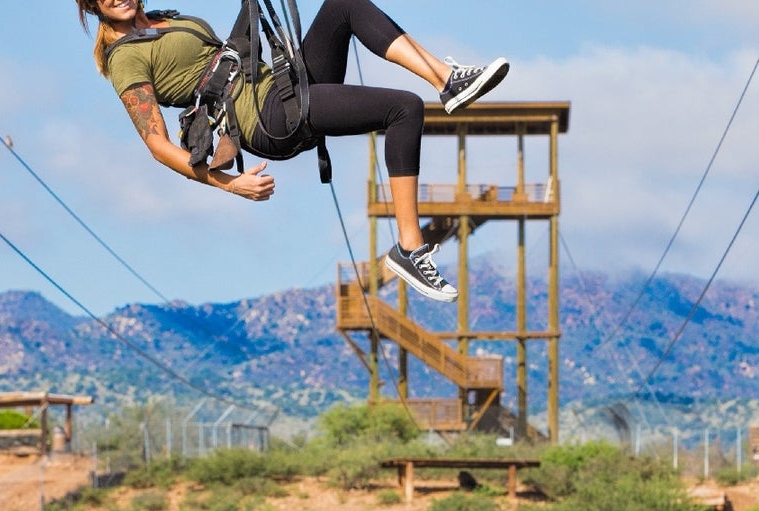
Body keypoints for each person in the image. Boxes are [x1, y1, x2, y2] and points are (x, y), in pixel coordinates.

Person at [75, 0, 510, 302]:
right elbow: (156, 145)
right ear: (91, 5)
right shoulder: (124, 59)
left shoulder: (171, 19)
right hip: (266, 116)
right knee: (405, 109)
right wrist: (229, 185)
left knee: (344, 5)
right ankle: (410, 249)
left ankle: (447, 80)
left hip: (281, 85)